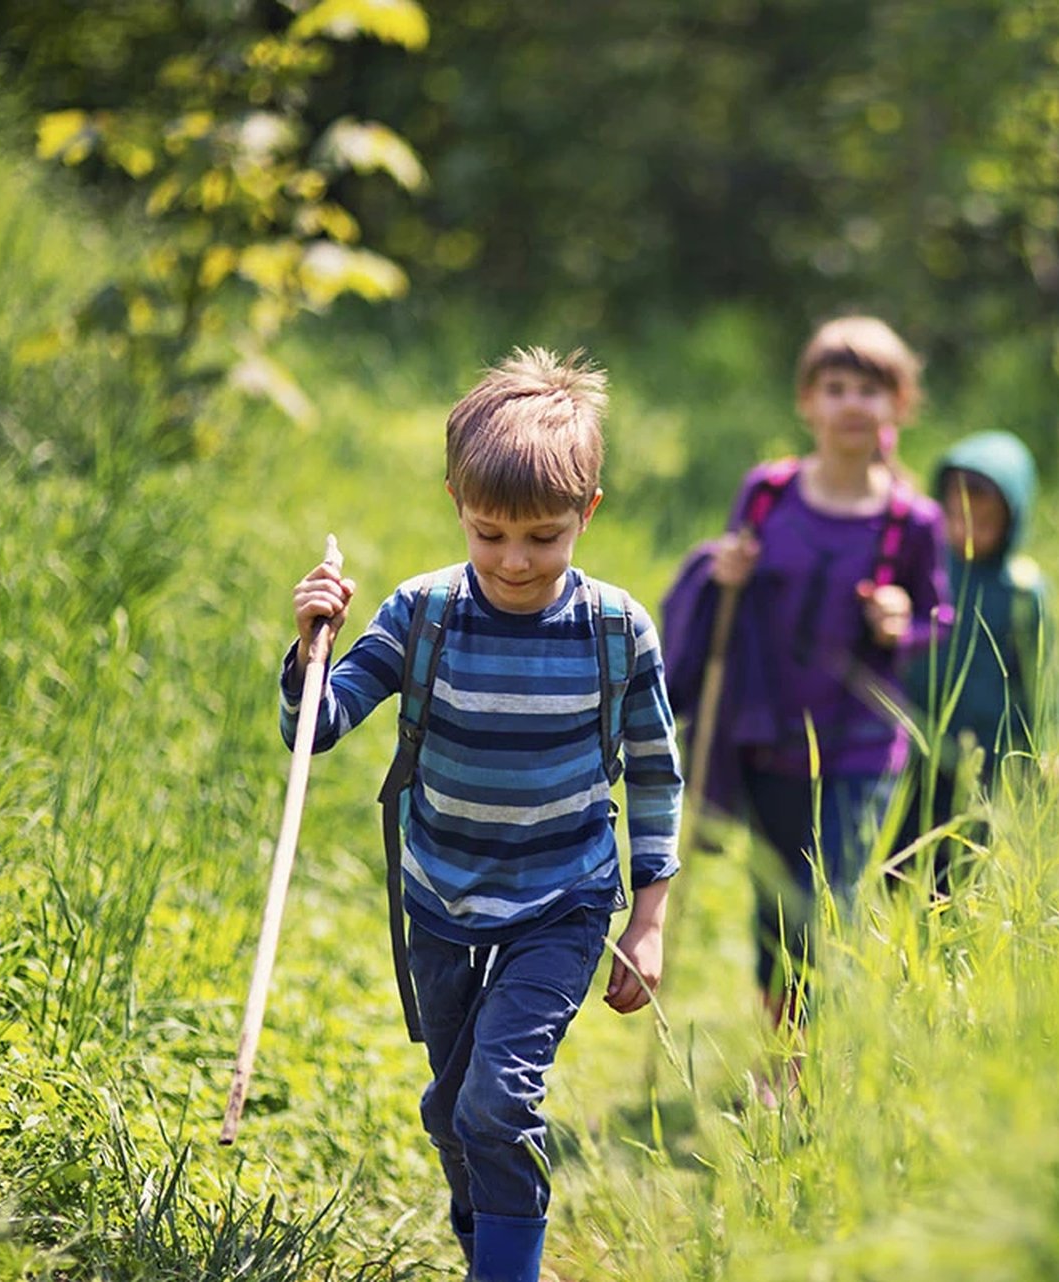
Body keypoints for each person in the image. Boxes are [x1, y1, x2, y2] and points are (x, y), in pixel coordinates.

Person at [281, 347, 680, 1282]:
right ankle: (488, 1250)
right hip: (440, 897)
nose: (514, 561)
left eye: (543, 536)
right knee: (452, 1109)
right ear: (457, 502)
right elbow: (318, 728)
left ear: (587, 513)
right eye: (489, 532)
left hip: (563, 898)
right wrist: (309, 652)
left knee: (496, 1101)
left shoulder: (615, 630)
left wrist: (650, 918)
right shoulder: (423, 613)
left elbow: (658, 773)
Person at [664, 316, 949, 1045]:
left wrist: (902, 621)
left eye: (870, 390)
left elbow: (937, 619)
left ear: (898, 405)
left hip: (860, 744)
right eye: (836, 387)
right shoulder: (768, 493)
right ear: (808, 402)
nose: (852, 403)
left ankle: (807, 1060)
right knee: (775, 905)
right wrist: (725, 575)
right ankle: (783, 1045)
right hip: (769, 736)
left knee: (829, 899)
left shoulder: (912, 521)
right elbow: (727, 592)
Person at [897, 430, 1050, 890]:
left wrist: (1040, 749)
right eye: (957, 517)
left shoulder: (1020, 591)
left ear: (1012, 522)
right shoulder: (925, 568)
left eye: (985, 523)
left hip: (983, 756)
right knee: (897, 858)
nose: (967, 532)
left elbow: (1039, 679)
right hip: (913, 741)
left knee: (961, 867)